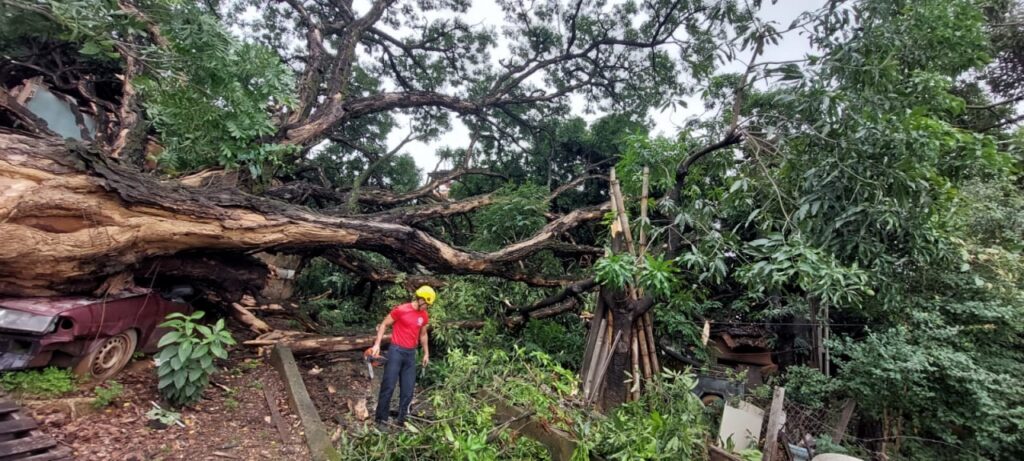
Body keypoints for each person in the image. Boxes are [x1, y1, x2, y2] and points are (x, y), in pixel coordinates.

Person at [369, 285, 435, 427]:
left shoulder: (424, 315)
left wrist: (426, 353)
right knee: (389, 385)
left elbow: (423, 334)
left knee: (408, 388)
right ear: (420, 299)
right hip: (396, 352)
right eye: (426, 304)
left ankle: (402, 419)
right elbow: (384, 324)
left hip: (410, 354)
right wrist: (377, 344)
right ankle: (381, 419)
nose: (427, 307)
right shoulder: (402, 310)